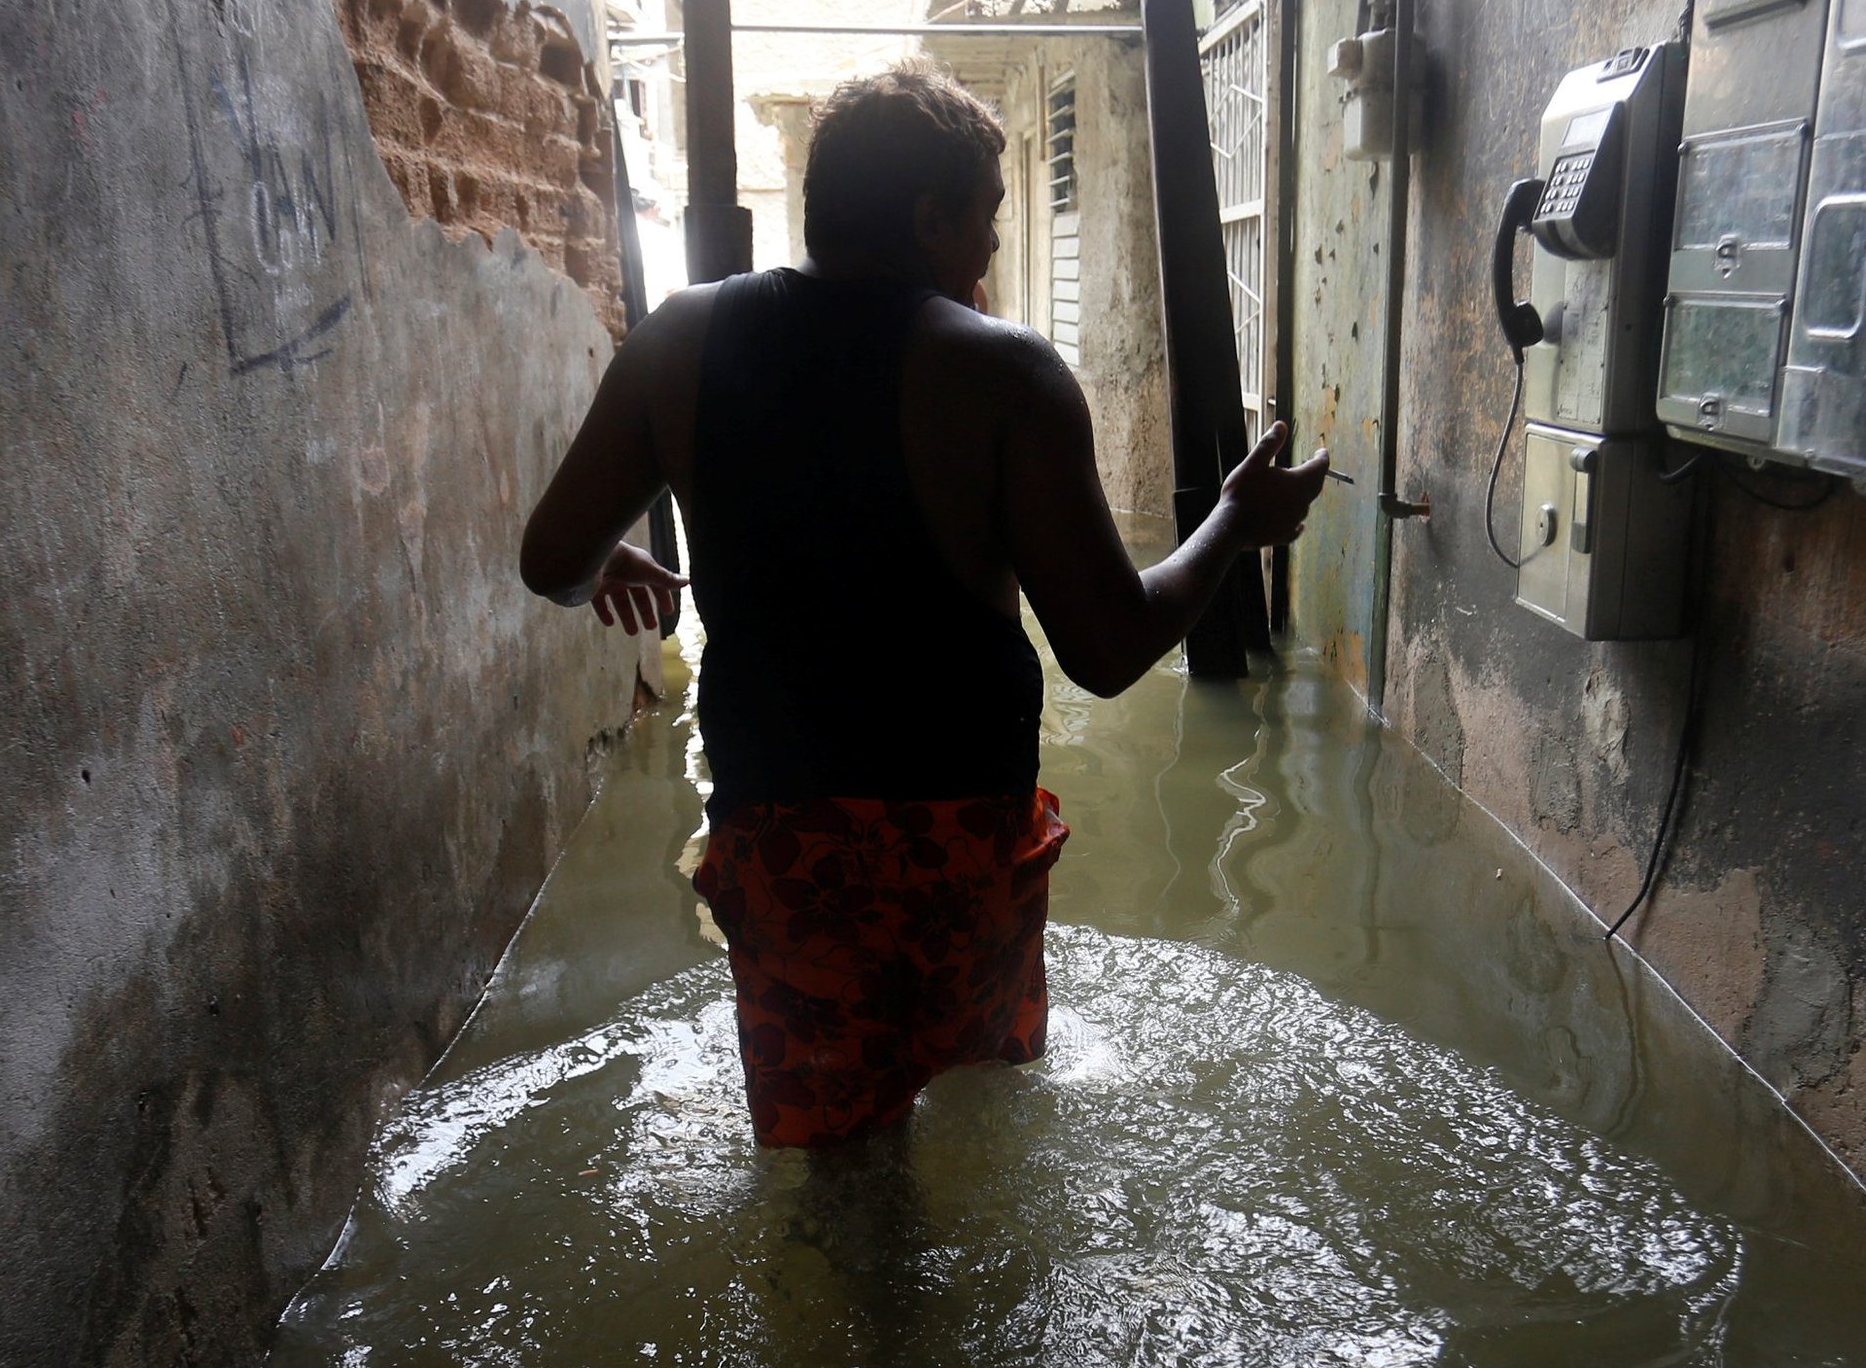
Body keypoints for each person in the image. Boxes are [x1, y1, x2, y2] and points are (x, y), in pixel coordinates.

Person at [518, 62, 1330, 1148]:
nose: (995, 246)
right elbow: (1106, 647)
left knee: (849, 1179)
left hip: (780, 841)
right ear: (929, 217)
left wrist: (607, 560)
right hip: (953, 848)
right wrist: (1235, 520)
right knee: (988, 1131)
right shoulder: (1003, 374)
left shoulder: (680, 339)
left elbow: (550, 560)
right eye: (988, 218)